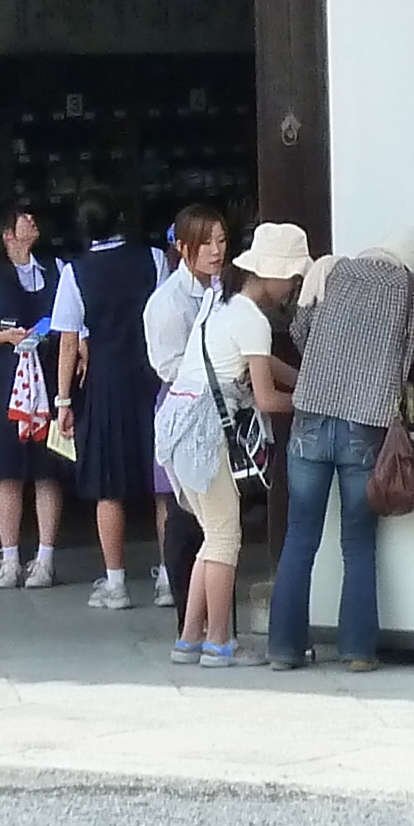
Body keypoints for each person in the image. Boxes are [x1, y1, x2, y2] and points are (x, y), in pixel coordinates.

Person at [269, 229, 414, 675]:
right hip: (365, 420)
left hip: (310, 415)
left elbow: (302, 331)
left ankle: (284, 648)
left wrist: (333, 359)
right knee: (358, 544)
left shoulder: (337, 270)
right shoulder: (409, 288)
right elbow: (407, 353)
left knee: (299, 538)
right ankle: (357, 650)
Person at [160, 218, 302, 668]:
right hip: (205, 433)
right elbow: (266, 397)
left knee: (211, 537)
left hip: (176, 427)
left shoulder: (222, 307)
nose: (294, 287)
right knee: (225, 538)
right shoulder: (253, 321)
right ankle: (221, 642)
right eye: (293, 278)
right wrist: (312, 398)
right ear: (273, 273)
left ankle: (190, 639)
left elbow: (264, 364)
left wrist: (303, 380)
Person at [54, 195, 165, 609]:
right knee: (163, 486)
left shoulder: (75, 272)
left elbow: (68, 341)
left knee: (108, 486)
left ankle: (116, 583)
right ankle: (170, 578)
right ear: (120, 218)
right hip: (153, 377)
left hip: (104, 382)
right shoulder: (155, 259)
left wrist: (64, 399)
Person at [0, 198, 63, 588]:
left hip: (50, 380)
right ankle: (9, 560)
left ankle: (46, 559)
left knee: (47, 471)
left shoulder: (57, 270)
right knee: (8, 471)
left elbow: (73, 319)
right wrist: (5, 336)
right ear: (7, 234)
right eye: (24, 217)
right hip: (8, 380)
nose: (32, 220)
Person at [144, 202, 232, 628]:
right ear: (182, 248)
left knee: (213, 519)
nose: (216, 251)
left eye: (221, 241)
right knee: (186, 516)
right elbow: (167, 365)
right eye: (205, 242)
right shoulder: (168, 301)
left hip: (220, 408)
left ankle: (207, 619)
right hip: (185, 408)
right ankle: (188, 619)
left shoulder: (223, 290)